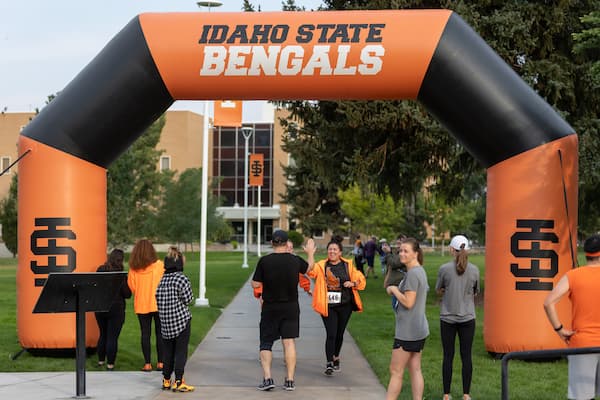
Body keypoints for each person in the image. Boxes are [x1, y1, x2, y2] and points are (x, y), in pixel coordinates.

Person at [251, 230, 316, 391]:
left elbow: (255, 284)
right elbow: (309, 269)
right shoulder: (294, 260)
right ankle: (290, 380)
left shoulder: (264, 261)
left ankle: (268, 379)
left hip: (270, 307)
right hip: (291, 307)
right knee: (289, 342)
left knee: (266, 342)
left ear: (272, 243)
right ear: (287, 244)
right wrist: (310, 253)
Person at [544, 234, 600, 400]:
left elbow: (548, 303)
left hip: (582, 343)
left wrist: (559, 330)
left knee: (581, 396)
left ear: (586, 253)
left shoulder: (573, 275)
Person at [307, 237, 366, 376]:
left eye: (335, 249)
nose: (332, 251)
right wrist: (310, 254)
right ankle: (329, 363)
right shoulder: (322, 266)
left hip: (345, 305)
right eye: (330, 249)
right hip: (328, 305)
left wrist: (353, 284)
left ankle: (336, 357)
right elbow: (310, 271)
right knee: (331, 333)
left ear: (340, 252)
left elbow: (360, 279)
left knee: (340, 334)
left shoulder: (348, 265)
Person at [435, 235, 479, 400]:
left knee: (448, 356)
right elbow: (475, 291)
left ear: (452, 250)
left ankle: (446, 394)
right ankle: (466, 394)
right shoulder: (475, 270)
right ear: (467, 249)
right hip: (468, 318)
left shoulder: (444, 269)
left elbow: (438, 289)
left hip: (447, 318)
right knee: (466, 356)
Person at [385, 238, 429, 400]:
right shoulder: (419, 271)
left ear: (415, 254)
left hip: (408, 332)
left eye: (406, 251)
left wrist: (394, 289)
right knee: (415, 368)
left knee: (395, 371)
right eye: (400, 251)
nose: (402, 254)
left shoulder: (413, 274)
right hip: (418, 329)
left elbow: (409, 302)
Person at [156, 249, 195, 392]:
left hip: (166, 323)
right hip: (181, 322)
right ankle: (179, 381)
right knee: (180, 352)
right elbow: (189, 299)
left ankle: (166, 380)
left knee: (168, 353)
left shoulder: (162, 280)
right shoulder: (181, 278)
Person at [127, 239, 165, 372]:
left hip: (141, 304)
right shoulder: (160, 265)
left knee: (145, 334)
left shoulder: (133, 269)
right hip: (159, 304)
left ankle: (147, 364)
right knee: (160, 333)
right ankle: (161, 363)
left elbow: (132, 287)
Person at [95, 248, 131, 371]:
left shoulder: (100, 270)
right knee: (112, 337)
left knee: (103, 334)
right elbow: (127, 294)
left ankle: (100, 361)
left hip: (99, 307)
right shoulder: (120, 274)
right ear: (121, 260)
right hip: (116, 308)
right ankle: (110, 364)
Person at [383, 237, 407, 309]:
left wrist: (388, 253)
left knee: (399, 309)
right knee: (396, 308)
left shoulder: (404, 255)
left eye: (400, 243)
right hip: (395, 285)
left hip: (400, 286)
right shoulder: (397, 253)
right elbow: (388, 264)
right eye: (397, 243)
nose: (398, 246)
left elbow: (394, 263)